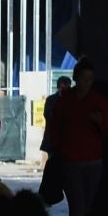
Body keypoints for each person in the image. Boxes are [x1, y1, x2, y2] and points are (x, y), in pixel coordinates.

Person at [46, 58, 108, 216]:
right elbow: (54, 129)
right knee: (77, 206)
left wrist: (100, 122)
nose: (87, 83)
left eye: (90, 79)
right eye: (84, 79)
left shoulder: (97, 101)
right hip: (73, 161)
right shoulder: (66, 101)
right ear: (76, 78)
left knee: (87, 206)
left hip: (90, 161)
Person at [37, 76, 72, 206]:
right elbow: (48, 115)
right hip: (53, 139)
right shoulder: (52, 99)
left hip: (66, 140)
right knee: (54, 165)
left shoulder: (72, 99)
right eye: (63, 85)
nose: (65, 88)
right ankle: (53, 192)